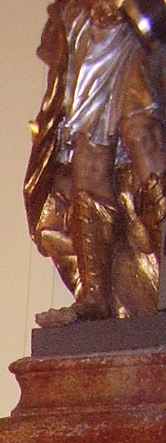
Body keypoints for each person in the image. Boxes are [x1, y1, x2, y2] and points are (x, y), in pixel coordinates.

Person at [26, 1, 166, 320]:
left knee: (140, 132)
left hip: (145, 21)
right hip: (90, 23)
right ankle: (95, 296)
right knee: (87, 154)